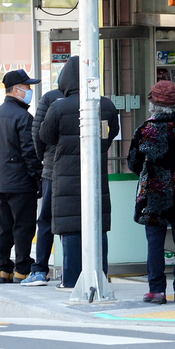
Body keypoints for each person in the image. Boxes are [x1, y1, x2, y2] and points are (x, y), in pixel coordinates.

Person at [40, 57, 121, 291]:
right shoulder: (104, 105)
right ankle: (100, 277)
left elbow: (46, 136)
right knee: (98, 225)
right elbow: (111, 133)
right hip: (96, 173)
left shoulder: (58, 107)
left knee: (70, 227)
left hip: (65, 174)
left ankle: (71, 279)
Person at [129, 81, 175, 305]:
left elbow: (133, 163)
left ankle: (157, 290)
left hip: (153, 195)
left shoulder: (144, 130)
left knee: (155, 242)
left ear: (153, 105)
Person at [0, 69, 42, 285]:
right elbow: (29, 151)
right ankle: (22, 269)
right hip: (20, 183)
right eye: (27, 87)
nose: (29, 91)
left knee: (4, 227)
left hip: (0, 182)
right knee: (23, 226)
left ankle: (3, 269)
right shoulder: (23, 117)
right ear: (16, 90)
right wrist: (37, 176)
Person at [26, 70, 67, 287]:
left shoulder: (51, 98)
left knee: (46, 220)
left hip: (52, 170)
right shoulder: (92, 97)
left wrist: (44, 156)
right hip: (84, 172)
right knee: (79, 220)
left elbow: (37, 133)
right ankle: (77, 269)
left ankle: (40, 269)